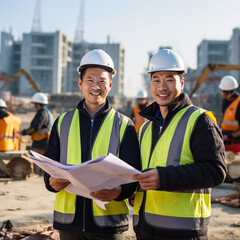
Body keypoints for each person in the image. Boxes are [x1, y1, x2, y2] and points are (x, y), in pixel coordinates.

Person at [43, 49, 140, 240]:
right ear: (80, 83)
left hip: (109, 225)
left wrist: (119, 191)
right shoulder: (62, 122)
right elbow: (48, 168)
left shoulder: (124, 125)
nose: (96, 86)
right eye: (90, 80)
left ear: (110, 85)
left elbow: (134, 175)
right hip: (69, 223)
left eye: (102, 81)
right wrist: (51, 182)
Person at [132, 49, 227, 240]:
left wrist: (163, 177)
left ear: (182, 83)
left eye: (169, 79)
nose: (162, 87)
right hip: (145, 228)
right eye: (156, 80)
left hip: (183, 231)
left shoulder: (200, 120)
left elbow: (215, 171)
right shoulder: (144, 128)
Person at [219, 75, 240, 154]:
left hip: (236, 146)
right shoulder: (226, 102)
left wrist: (229, 136)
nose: (221, 93)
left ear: (227, 92)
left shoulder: (238, 103)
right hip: (225, 144)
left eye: (222, 91)